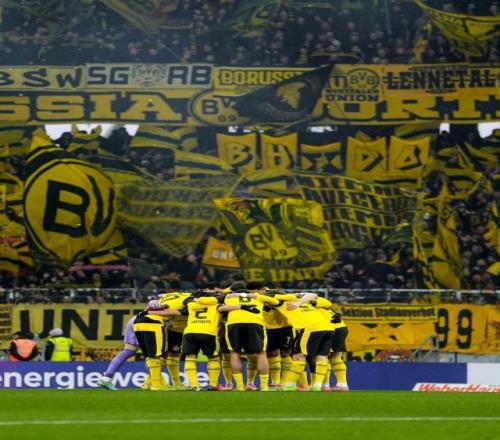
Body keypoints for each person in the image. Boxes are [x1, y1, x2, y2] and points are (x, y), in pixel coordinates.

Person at [272, 292, 335, 391]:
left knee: (298, 356)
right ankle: (317, 386)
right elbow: (316, 296)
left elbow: (262, 297)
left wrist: (297, 302)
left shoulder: (278, 300)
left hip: (311, 328)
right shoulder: (304, 300)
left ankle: (288, 386)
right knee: (322, 357)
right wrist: (300, 300)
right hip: (329, 328)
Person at [223, 281, 280, 391]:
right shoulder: (258, 296)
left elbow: (219, 295)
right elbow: (276, 302)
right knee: (261, 354)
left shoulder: (228, 296)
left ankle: (240, 386)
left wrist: (233, 293)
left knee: (234, 353)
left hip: (234, 323)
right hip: (255, 323)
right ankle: (264, 387)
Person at [180, 290, 241, 390]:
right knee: (214, 358)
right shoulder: (216, 305)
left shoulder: (191, 304)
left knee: (190, 358)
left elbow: (184, 302)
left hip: (190, 333)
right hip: (209, 333)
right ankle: (213, 385)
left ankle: (194, 385)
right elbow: (228, 307)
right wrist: (242, 307)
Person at [97, 316, 140, 391]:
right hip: (147, 323)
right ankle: (152, 382)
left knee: (129, 351)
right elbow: (163, 312)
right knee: (153, 354)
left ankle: (106, 378)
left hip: (136, 319)